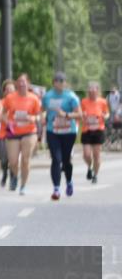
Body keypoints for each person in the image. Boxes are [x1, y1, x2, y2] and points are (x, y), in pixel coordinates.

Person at [41, 72, 82, 200]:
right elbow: (42, 110)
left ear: (65, 82)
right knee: (56, 159)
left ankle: (69, 181)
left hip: (68, 132)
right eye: (58, 80)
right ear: (54, 82)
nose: (60, 83)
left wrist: (66, 115)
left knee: (66, 161)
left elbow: (79, 115)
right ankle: (56, 189)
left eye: (63, 80)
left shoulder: (71, 96)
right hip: (52, 131)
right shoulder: (47, 96)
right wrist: (43, 117)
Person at [2, 73, 42, 195]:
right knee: (13, 161)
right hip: (13, 132)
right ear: (16, 84)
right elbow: (3, 113)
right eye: (19, 81)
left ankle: (23, 186)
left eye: (24, 81)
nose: (21, 84)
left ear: (28, 83)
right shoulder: (10, 98)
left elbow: (39, 115)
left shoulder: (34, 98)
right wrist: (7, 122)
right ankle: (15, 174)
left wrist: (33, 118)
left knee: (25, 159)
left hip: (29, 132)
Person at [80, 81, 109, 184]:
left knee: (96, 155)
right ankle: (90, 166)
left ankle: (95, 175)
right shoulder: (83, 101)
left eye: (94, 89)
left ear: (97, 90)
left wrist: (104, 116)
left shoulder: (102, 102)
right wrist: (83, 115)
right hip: (87, 130)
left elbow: (106, 113)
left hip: (98, 129)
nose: (92, 90)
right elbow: (81, 114)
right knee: (86, 154)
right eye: (90, 89)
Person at [0, 79, 15, 187]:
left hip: (15, 135)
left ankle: (13, 177)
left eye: (11, 90)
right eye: (7, 90)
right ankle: (5, 172)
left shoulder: (18, 101)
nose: (9, 92)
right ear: (4, 92)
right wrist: (6, 121)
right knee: (4, 159)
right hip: (3, 134)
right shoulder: (0, 103)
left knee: (13, 159)